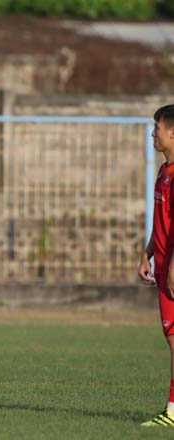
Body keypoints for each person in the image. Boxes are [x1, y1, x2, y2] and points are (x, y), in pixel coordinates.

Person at [139, 104, 174, 427]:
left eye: (157, 129)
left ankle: (173, 411)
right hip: (162, 265)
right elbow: (162, 222)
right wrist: (147, 254)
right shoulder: (164, 172)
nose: (153, 134)